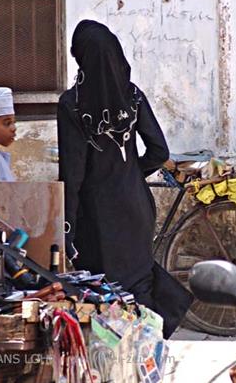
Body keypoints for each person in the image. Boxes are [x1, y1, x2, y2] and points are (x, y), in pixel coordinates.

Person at [57, 20, 193, 338]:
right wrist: (133, 174)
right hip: (136, 207)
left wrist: (68, 230)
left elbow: (73, 176)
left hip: (97, 214)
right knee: (139, 283)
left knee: (105, 291)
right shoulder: (132, 95)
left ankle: (121, 359)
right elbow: (159, 151)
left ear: (81, 57)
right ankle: (149, 352)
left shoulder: (71, 105)